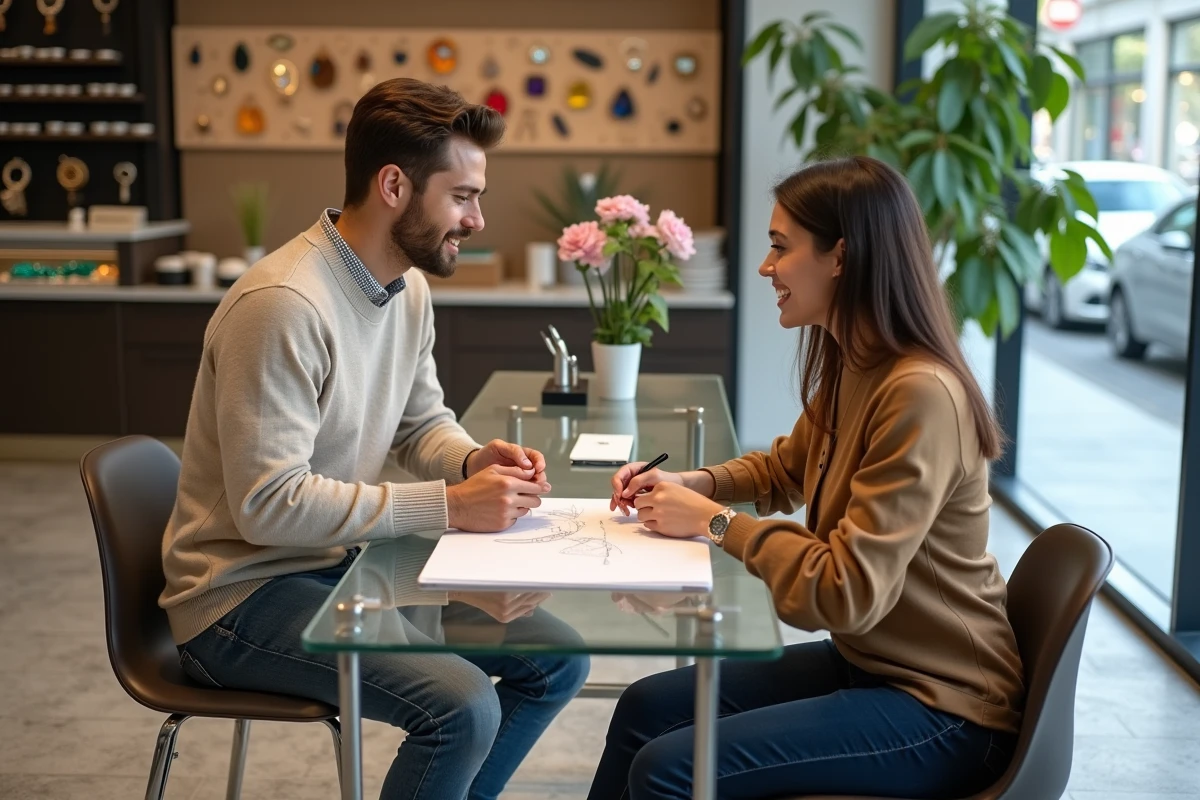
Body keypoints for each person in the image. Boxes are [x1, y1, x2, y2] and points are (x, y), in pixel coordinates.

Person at [160, 78, 588, 800]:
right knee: (462, 706)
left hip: (342, 562)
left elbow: (421, 423)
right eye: (462, 196)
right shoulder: (283, 305)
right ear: (394, 186)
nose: (477, 219)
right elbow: (268, 506)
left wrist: (472, 460)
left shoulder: (407, 288)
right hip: (241, 596)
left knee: (558, 660)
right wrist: (450, 506)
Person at [590, 156, 1025, 800]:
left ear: (840, 256)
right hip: (869, 663)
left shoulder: (920, 394)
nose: (766, 267)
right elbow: (786, 468)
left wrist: (714, 523)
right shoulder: (860, 363)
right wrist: (694, 483)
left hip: (947, 707)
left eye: (780, 247)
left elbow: (843, 592)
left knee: (669, 768)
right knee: (645, 709)